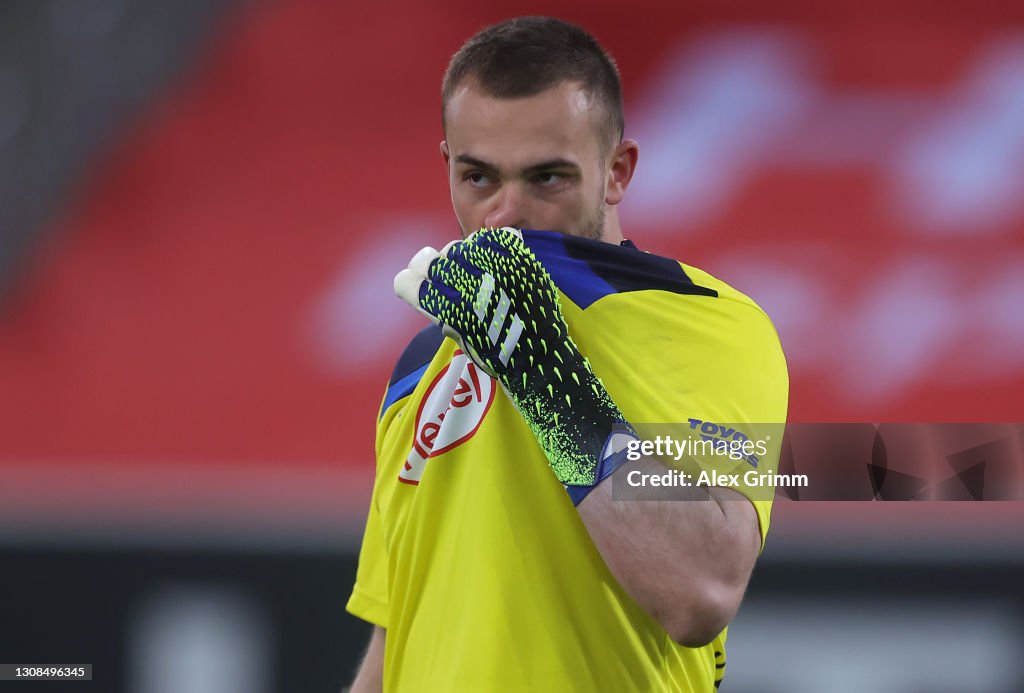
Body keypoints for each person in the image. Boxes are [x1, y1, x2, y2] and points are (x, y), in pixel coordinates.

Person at [346, 16, 788, 692]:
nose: (505, 213)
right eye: (479, 178)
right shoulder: (423, 362)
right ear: (448, 167)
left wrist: (541, 376)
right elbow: (395, 641)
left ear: (616, 172)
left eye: (546, 178)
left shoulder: (705, 322)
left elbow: (700, 589)